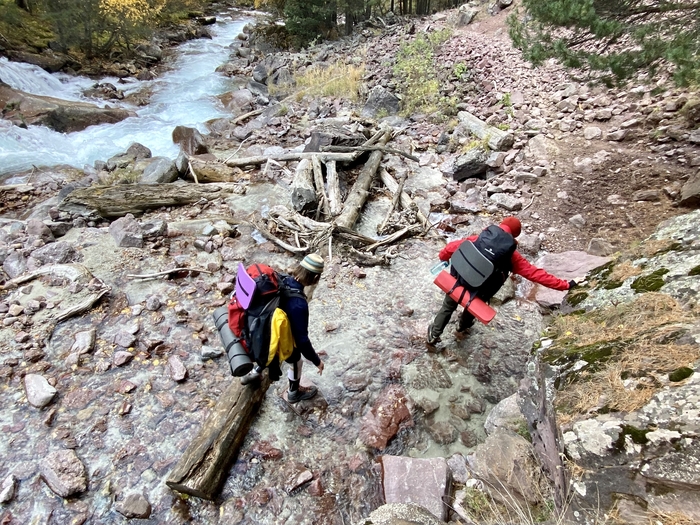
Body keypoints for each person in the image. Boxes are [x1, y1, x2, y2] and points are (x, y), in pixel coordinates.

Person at [427, 217, 576, 345]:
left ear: (500, 226)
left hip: (458, 281)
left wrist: (444, 259)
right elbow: (536, 274)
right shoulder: (512, 257)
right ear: (515, 236)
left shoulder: (477, 239)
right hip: (481, 291)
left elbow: (448, 249)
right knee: (472, 307)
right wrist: (565, 285)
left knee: (448, 306)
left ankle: (433, 335)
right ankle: (462, 327)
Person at [241, 253, 326, 403]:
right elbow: (302, 340)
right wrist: (316, 361)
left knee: (268, 348)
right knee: (296, 361)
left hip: (260, 330)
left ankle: (255, 371)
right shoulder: (299, 304)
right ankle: (294, 393)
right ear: (315, 279)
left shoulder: (281, 280)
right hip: (276, 336)